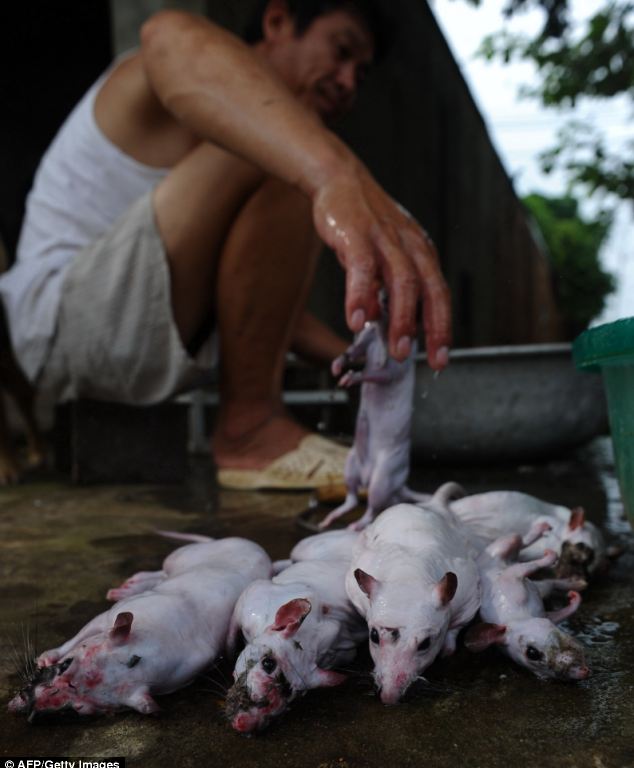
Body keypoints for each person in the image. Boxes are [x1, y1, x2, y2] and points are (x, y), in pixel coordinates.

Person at [0, 0, 451, 490]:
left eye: (359, 74)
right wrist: (333, 174)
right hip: (58, 324)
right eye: (340, 52)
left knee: (293, 142)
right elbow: (165, 31)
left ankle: (256, 427)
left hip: (117, 325)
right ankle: (249, 429)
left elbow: (252, 301)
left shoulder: (231, 173)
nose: (347, 82)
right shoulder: (161, 72)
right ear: (278, 21)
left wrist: (371, 358)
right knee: (289, 143)